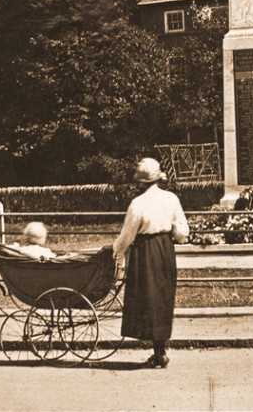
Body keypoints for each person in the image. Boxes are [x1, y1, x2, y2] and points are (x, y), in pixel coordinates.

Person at [113, 157, 190, 369]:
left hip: (144, 251)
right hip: (165, 249)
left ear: (140, 182)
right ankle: (160, 349)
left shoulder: (137, 204)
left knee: (147, 298)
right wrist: (177, 237)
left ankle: (158, 352)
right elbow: (182, 231)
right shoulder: (171, 198)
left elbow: (128, 234)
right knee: (163, 297)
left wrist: (116, 250)